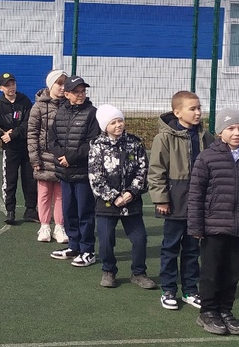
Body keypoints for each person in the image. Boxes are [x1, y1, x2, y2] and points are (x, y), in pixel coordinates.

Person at [187, 108, 239, 336]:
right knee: (211, 272)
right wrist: (196, 226)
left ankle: (225, 310)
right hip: (214, 227)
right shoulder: (207, 157)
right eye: (231, 128)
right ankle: (208, 312)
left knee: (233, 273)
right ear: (220, 132)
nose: (236, 132)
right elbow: (196, 194)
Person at [148, 91, 212, 311]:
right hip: (175, 202)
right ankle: (168, 289)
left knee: (193, 249)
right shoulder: (164, 138)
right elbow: (156, 171)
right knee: (170, 248)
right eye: (192, 109)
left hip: (198, 203)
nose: (198, 112)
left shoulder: (205, 136)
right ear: (177, 112)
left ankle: (190, 290)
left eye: (199, 108)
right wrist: (161, 199)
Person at [88, 104, 155, 289]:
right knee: (106, 240)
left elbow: (143, 171)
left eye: (120, 121)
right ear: (105, 126)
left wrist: (131, 192)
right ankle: (108, 271)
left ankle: (139, 273)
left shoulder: (135, 143)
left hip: (131, 202)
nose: (118, 125)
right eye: (113, 122)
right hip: (107, 204)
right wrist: (113, 196)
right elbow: (95, 176)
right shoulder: (97, 146)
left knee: (140, 239)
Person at [49, 76, 100, 266]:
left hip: (83, 172)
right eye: (76, 92)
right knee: (68, 210)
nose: (80, 95)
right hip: (65, 172)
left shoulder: (92, 113)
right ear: (67, 94)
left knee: (84, 212)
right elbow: (52, 139)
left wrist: (71, 157)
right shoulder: (61, 112)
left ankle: (88, 250)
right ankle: (73, 246)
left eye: (83, 91)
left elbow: (92, 142)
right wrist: (61, 155)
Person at [0, 72, 38, 224]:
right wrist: (2, 135)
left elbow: (29, 122)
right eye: (7, 85)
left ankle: (31, 210)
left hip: (27, 147)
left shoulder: (24, 101)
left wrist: (14, 134)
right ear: (1, 88)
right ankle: (10, 211)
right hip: (11, 150)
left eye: (13, 84)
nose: (11, 87)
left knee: (30, 179)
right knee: (10, 179)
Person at [28, 70, 69, 246]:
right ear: (50, 85)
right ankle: (44, 226)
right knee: (44, 193)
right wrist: (34, 158)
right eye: (59, 83)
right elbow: (32, 133)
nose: (62, 87)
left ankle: (59, 226)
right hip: (44, 157)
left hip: (62, 158)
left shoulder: (69, 105)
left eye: (64, 84)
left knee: (61, 194)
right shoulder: (38, 107)